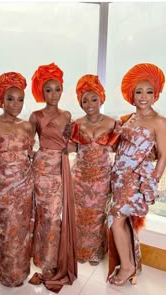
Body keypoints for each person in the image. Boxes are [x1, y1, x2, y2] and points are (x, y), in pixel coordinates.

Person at [107, 63, 166, 286]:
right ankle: (132, 262)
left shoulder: (159, 121)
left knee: (116, 218)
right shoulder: (129, 118)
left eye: (149, 92)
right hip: (119, 176)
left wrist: (152, 182)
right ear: (132, 94)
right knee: (121, 220)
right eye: (139, 91)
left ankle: (128, 267)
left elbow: (163, 155)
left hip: (137, 179)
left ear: (156, 95)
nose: (144, 96)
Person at [28, 62, 77, 293]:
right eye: (48, 90)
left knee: (55, 216)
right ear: (41, 91)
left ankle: (53, 260)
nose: (53, 94)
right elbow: (27, 145)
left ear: (62, 90)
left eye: (57, 89)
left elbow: (69, 141)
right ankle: (46, 263)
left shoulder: (67, 114)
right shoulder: (35, 115)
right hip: (42, 168)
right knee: (46, 215)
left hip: (62, 167)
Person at [0, 72, 34, 287]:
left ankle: (19, 273)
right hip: (3, 184)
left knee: (23, 229)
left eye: (20, 99)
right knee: (9, 228)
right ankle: (6, 274)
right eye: (10, 99)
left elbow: (30, 155)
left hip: (26, 182)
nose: (16, 104)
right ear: (0, 99)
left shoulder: (27, 126)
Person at [70, 74, 118, 266]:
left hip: (102, 178)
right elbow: (70, 148)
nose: (89, 103)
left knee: (99, 216)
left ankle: (96, 252)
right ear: (80, 103)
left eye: (94, 99)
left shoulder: (113, 124)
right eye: (85, 100)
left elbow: (119, 150)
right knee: (81, 215)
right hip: (80, 177)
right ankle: (81, 250)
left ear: (101, 99)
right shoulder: (75, 124)